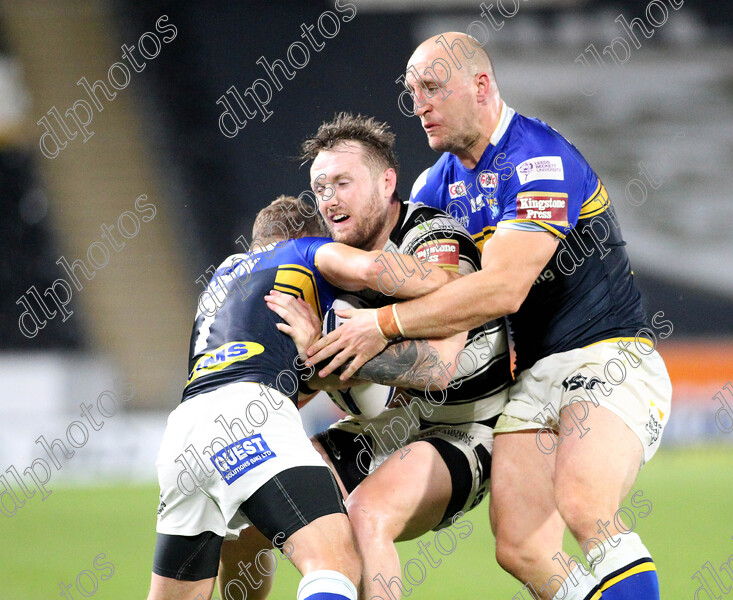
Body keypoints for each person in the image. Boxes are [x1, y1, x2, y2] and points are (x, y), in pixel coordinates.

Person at [306, 34, 672, 600]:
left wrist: (379, 328)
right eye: (411, 92)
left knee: (584, 506)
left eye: (431, 87)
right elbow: (432, 308)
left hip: (607, 355)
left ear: (480, 86)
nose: (418, 104)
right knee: (520, 547)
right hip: (527, 382)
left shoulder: (538, 160)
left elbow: (502, 290)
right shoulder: (436, 187)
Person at [219, 113, 512, 600]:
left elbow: (437, 367)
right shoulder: (324, 269)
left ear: (386, 182)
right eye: (320, 187)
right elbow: (294, 390)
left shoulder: (430, 238)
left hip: (463, 429)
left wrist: (325, 351)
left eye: (342, 182)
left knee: (366, 512)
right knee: (252, 509)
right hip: (384, 432)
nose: (329, 198)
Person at [148, 194, 456, 600]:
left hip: (183, 436)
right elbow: (374, 268)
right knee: (334, 563)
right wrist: (453, 285)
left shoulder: (221, 278)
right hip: (250, 412)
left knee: (229, 553)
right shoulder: (305, 250)